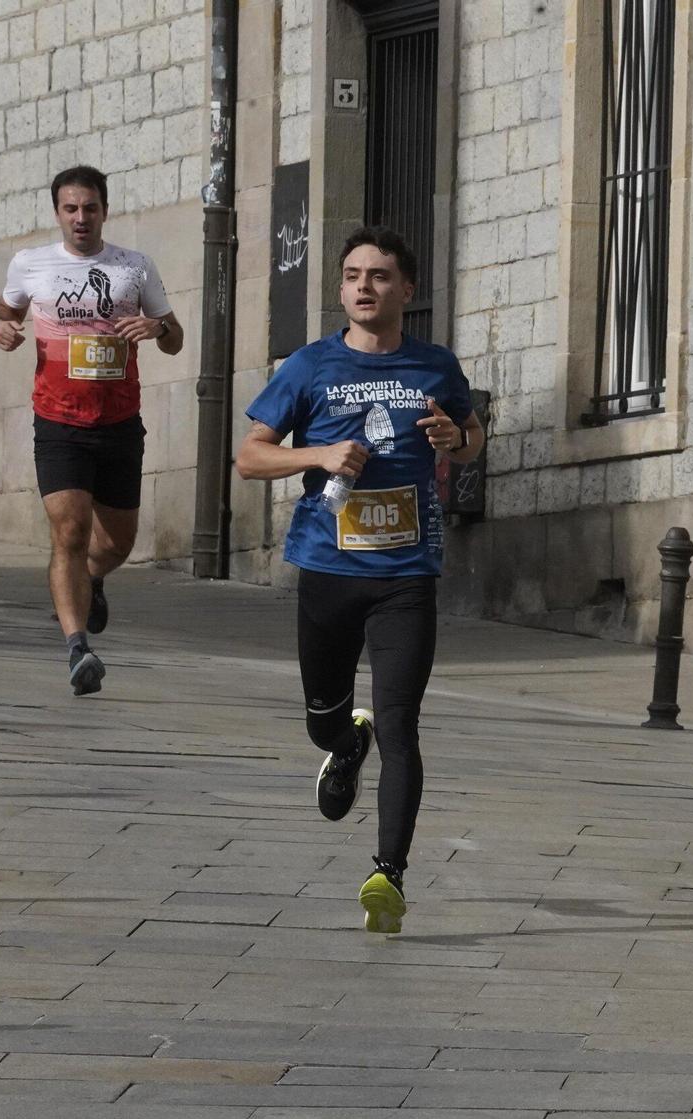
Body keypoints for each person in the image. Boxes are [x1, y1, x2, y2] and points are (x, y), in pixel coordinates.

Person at [233, 227, 484, 934]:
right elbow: (250, 457)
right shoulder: (310, 367)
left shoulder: (436, 366)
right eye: (352, 276)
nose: (364, 286)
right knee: (323, 717)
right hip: (328, 570)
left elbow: (471, 435)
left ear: (407, 288)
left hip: (407, 575)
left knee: (402, 725)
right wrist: (318, 452)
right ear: (341, 290)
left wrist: (454, 442)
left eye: (379, 275)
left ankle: (388, 875)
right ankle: (344, 746)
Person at [0, 165, 183, 696]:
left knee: (117, 543)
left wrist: (157, 326)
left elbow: (176, 339)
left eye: (90, 208)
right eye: (71, 209)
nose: (81, 218)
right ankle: (78, 648)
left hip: (119, 422)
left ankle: (91, 580)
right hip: (58, 420)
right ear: (57, 213)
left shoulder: (134, 267)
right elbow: (4, 310)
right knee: (69, 533)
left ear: (105, 209)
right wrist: (2, 328)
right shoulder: (31, 264)